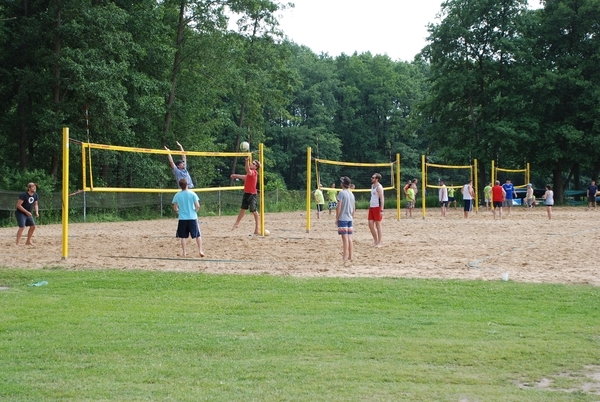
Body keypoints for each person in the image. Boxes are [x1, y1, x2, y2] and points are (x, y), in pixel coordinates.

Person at [172, 178, 204, 257]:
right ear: (187, 185)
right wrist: (195, 211)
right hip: (192, 217)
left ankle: (184, 252)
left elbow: (175, 207)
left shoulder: (177, 195)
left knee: (183, 236)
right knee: (197, 235)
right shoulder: (192, 194)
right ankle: (200, 250)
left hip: (182, 218)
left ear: (180, 186)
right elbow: (198, 206)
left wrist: (177, 211)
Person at [231, 157, 261, 235]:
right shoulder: (249, 173)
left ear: (256, 167)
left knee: (254, 211)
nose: (252, 164)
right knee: (242, 209)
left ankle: (257, 229)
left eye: (253, 164)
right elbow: (245, 177)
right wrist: (236, 175)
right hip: (246, 193)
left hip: (252, 194)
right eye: (252, 163)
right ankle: (237, 223)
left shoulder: (253, 172)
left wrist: (246, 161)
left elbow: (247, 170)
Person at [336, 176, 356, 261]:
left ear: (343, 184)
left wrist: (337, 218)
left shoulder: (341, 193)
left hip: (343, 218)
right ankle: (350, 256)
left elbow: (339, 207)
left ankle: (344, 256)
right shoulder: (351, 194)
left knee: (345, 239)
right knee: (349, 238)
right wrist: (352, 217)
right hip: (349, 218)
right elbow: (354, 208)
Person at [368, 173, 384, 247]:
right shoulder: (372, 186)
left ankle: (379, 242)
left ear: (377, 179)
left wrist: (381, 210)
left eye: (373, 177)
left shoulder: (379, 187)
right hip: (371, 207)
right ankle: (375, 240)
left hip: (377, 207)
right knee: (370, 224)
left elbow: (382, 198)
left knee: (378, 225)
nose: (371, 178)